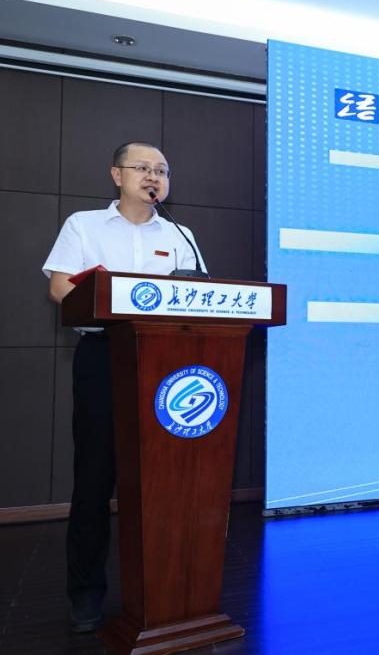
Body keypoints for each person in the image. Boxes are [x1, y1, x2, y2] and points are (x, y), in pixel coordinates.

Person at [42, 141, 206, 633]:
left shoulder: (180, 234)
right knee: (95, 477)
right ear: (117, 175)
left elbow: (200, 293)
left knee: (166, 479)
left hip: (167, 364)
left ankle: (168, 587)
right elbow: (60, 287)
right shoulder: (84, 225)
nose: (153, 176)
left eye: (162, 170)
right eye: (142, 168)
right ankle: (86, 594)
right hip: (104, 358)